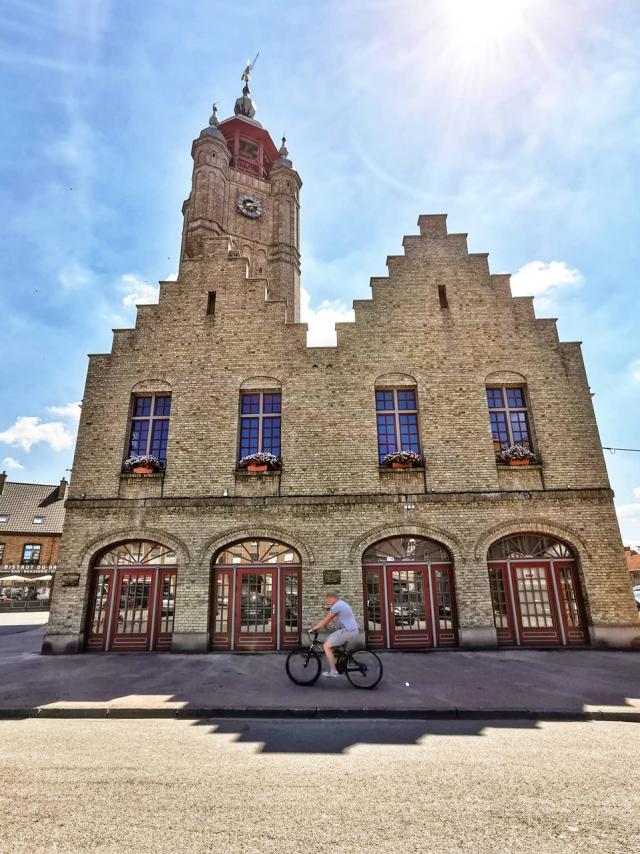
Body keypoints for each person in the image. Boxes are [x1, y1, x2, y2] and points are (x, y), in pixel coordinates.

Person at [312, 593, 359, 678]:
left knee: (326, 646)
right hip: (351, 630)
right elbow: (329, 618)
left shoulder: (337, 606)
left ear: (333, 598)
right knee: (330, 640)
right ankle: (339, 662)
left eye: (329, 599)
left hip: (348, 631)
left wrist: (315, 628)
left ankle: (334, 671)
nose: (328, 601)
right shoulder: (341, 603)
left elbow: (327, 619)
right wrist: (322, 626)